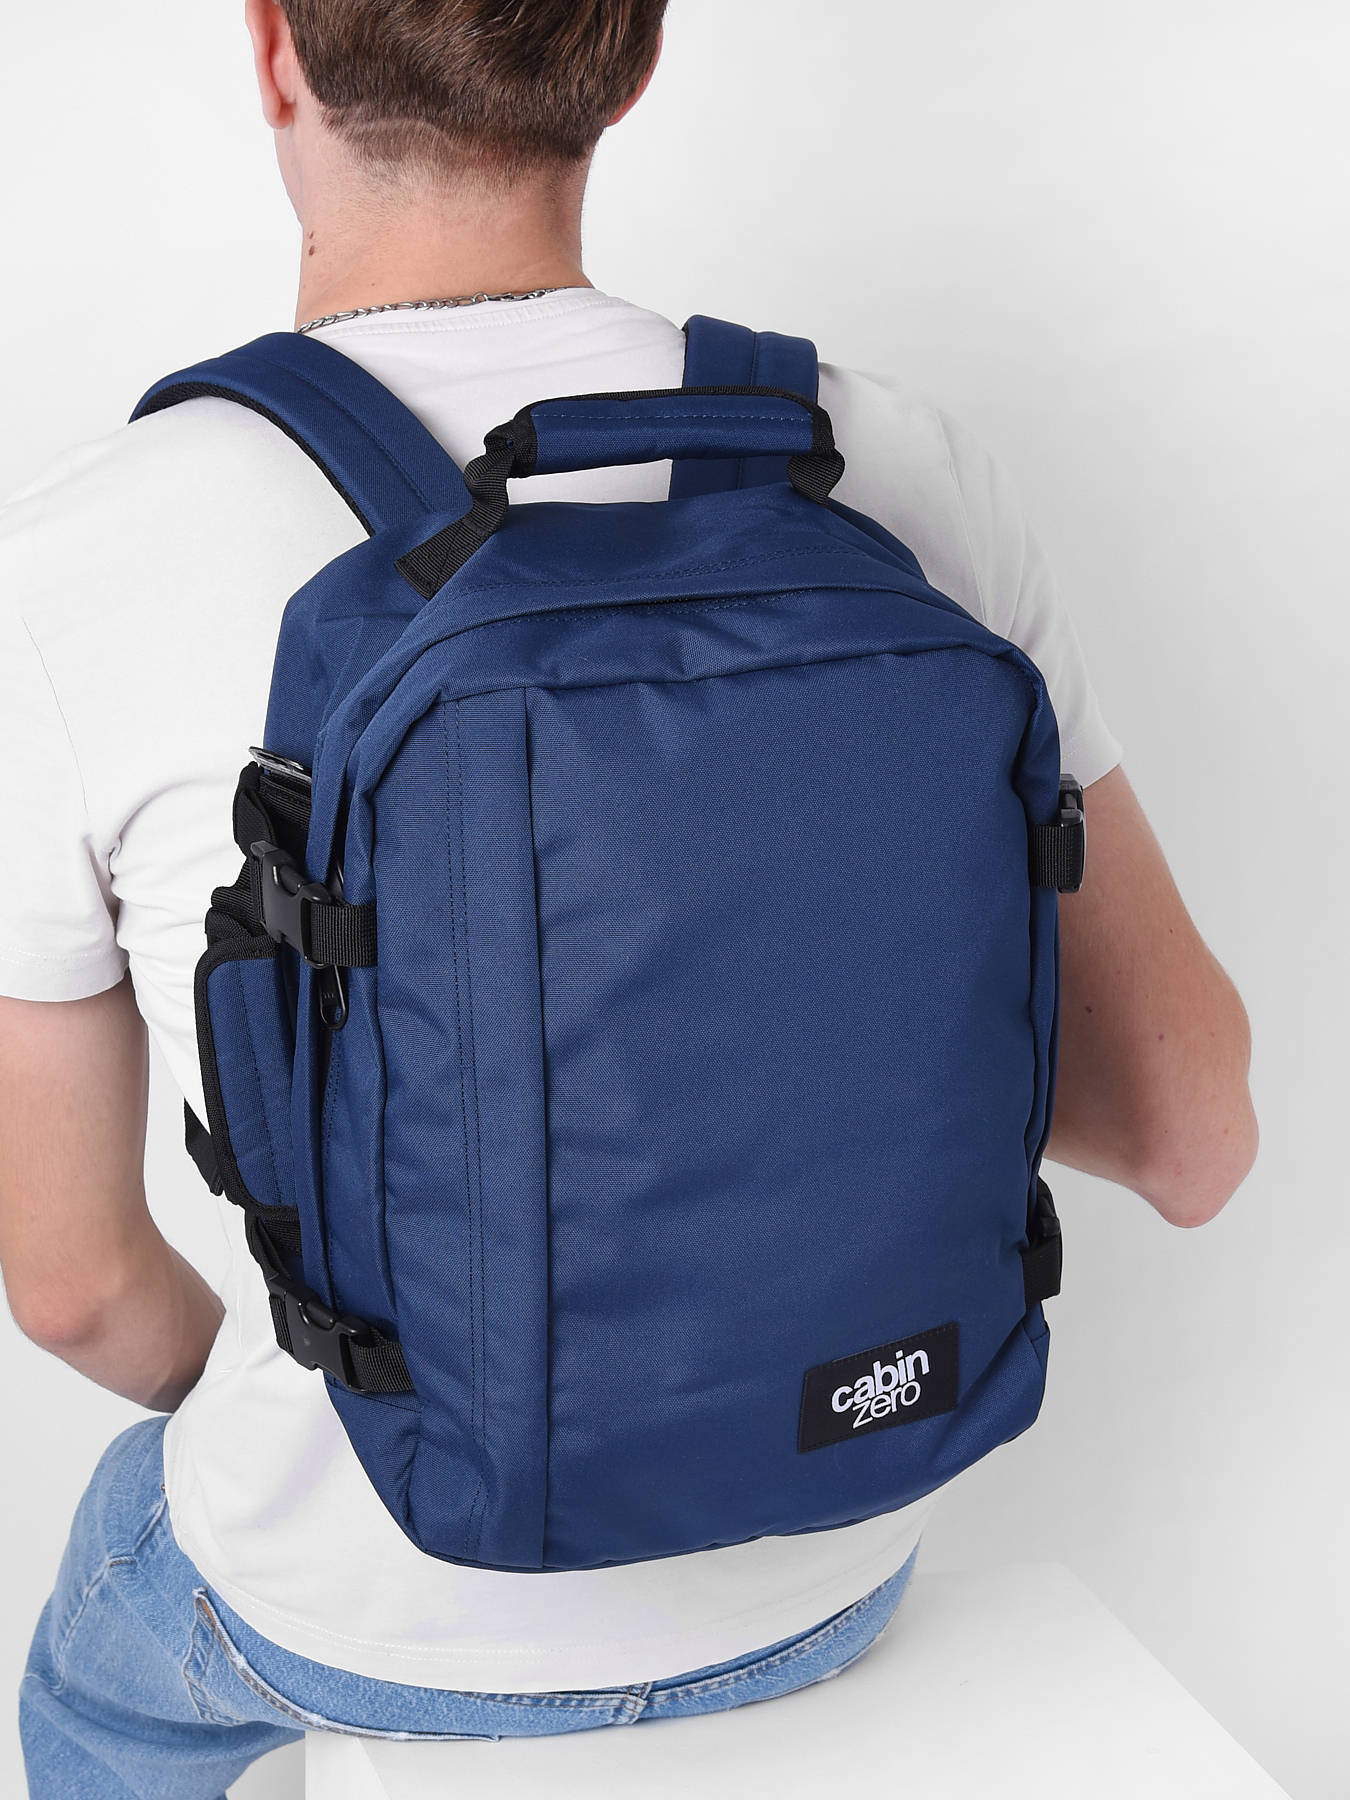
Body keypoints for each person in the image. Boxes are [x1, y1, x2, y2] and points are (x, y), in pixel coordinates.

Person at [0, 2, 1258, 1793]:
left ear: (275, 48)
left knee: (101, 1692)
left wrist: (302, 1393)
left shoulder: (77, 555)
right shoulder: (893, 462)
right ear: (631, 59)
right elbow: (1190, 1141)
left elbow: (70, 1289)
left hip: (368, 1597)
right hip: (828, 1551)